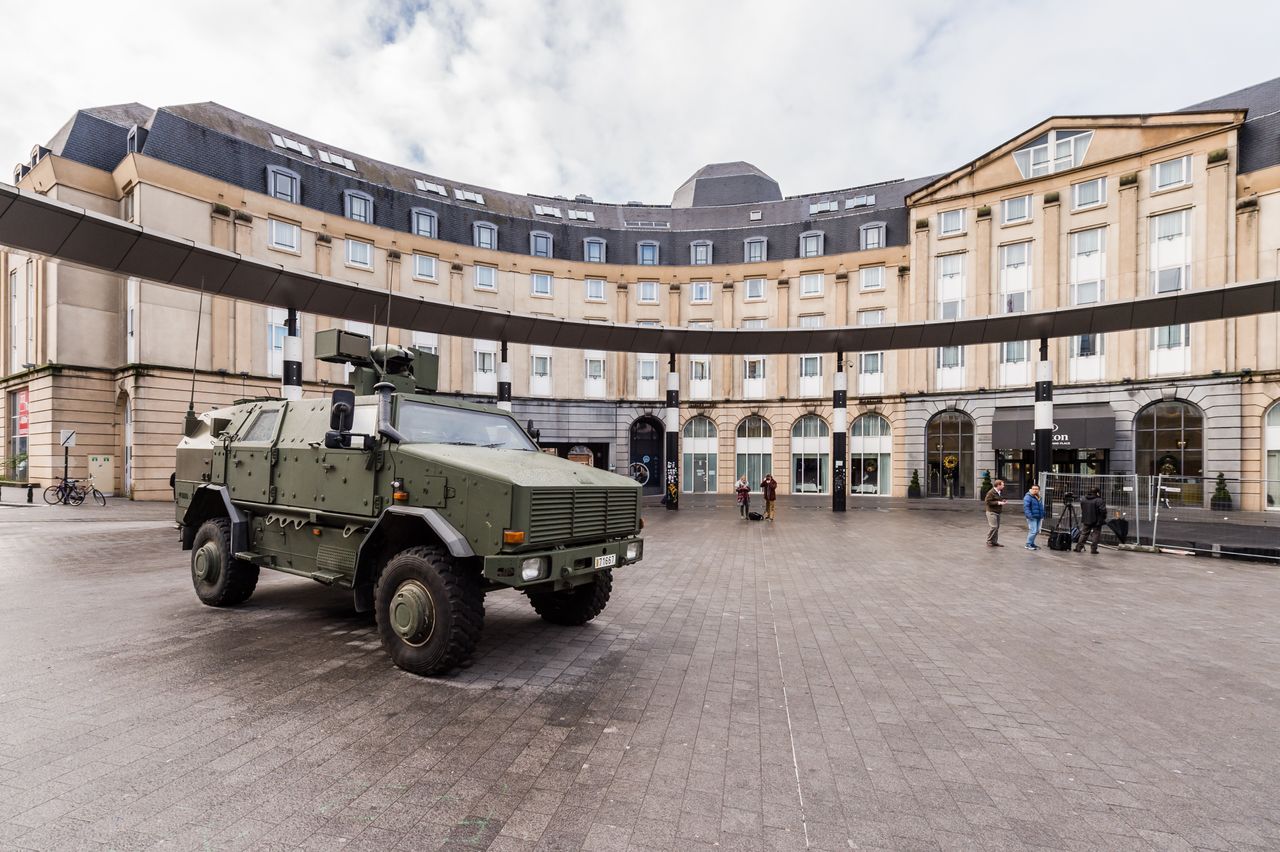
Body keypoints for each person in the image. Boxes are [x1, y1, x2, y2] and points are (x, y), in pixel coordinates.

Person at [1076, 487, 1107, 554]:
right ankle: (1093, 549)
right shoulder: (1099, 500)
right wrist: (1103, 518)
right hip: (1097, 520)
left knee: (1084, 533)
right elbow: (1103, 511)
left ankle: (1078, 547)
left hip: (1086, 519)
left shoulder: (1084, 499)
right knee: (1096, 534)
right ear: (1097, 492)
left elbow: (1082, 508)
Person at [984, 478, 1008, 547]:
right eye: (1002, 485)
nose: (1003, 486)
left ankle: (994, 542)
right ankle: (989, 541)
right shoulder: (991, 492)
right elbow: (987, 502)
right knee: (994, 527)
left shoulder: (999, 491)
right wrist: (999, 503)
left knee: (997, 527)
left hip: (997, 511)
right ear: (998, 485)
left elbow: (997, 499)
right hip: (991, 512)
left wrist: (1002, 500)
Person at [1022, 484, 1045, 550]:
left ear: (1039, 490)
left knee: (1036, 530)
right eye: (1033, 489)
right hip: (1032, 516)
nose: (1035, 490)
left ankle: (1032, 543)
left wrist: (1042, 514)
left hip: (1038, 516)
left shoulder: (1038, 497)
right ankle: (1028, 544)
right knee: (1033, 531)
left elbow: (1041, 507)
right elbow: (1026, 507)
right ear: (1031, 489)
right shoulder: (1028, 497)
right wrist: (1029, 515)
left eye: (1036, 489)